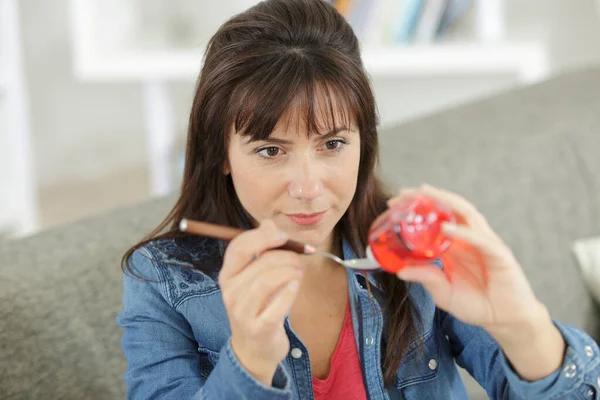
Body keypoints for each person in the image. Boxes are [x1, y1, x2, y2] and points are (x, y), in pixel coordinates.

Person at [116, 0, 600, 398]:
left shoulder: (415, 249)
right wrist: (251, 359)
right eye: (270, 150)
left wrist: (520, 322)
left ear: (363, 141)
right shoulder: (162, 281)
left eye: (332, 144)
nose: (308, 187)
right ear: (220, 153)